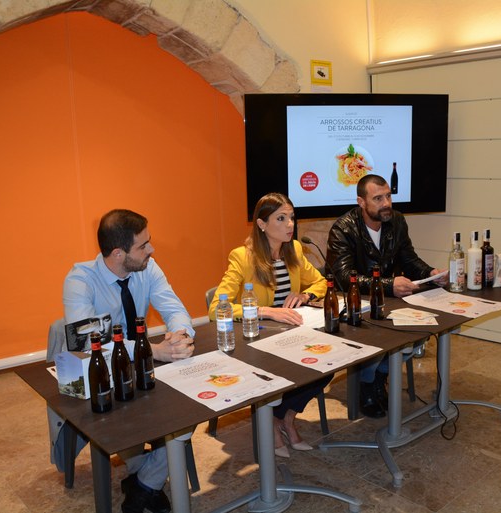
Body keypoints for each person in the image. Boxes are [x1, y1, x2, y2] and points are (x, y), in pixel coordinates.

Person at [63, 209, 195, 513]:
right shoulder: (79, 280)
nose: (152, 249)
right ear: (118, 254)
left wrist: (179, 335)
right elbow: (88, 344)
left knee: (192, 407)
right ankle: (150, 482)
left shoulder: (147, 267)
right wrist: (152, 351)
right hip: (102, 377)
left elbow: (175, 308)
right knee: (121, 420)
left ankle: (144, 484)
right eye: (143, 245)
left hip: (144, 371)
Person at [208, 192, 332, 458]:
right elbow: (216, 308)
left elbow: (320, 281)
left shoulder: (294, 249)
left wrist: (305, 296)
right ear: (262, 224)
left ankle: (284, 419)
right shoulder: (242, 257)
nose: (290, 224)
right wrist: (266, 311)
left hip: (293, 333)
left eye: (292, 217)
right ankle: (274, 422)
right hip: (259, 338)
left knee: (328, 363)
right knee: (294, 367)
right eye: (281, 218)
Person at [326, 174, 448, 418]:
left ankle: (380, 376)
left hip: (389, 301)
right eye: (378, 198)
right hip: (357, 305)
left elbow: (409, 259)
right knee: (378, 333)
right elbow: (344, 277)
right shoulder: (343, 229)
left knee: (420, 326)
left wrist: (430, 273)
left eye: (388, 196)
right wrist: (389, 284)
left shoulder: (397, 221)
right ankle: (368, 384)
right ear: (361, 202)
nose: (386, 204)